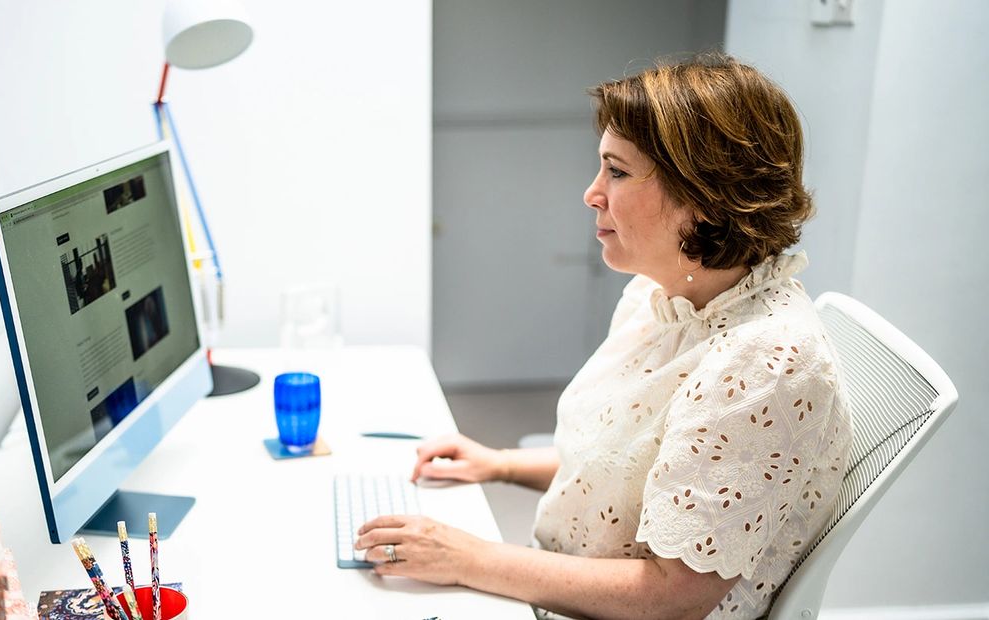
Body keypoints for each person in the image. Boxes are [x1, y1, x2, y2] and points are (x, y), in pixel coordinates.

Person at [356, 54, 852, 620]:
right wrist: (498, 464)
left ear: (704, 193)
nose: (592, 194)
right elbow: (633, 467)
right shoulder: (661, 295)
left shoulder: (765, 363)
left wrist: (468, 558)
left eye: (616, 172)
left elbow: (676, 597)